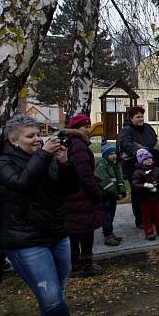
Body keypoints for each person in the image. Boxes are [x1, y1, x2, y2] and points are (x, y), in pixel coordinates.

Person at [0, 114, 86, 316]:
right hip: (25, 240)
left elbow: (69, 189)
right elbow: (22, 184)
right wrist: (44, 154)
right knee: (51, 296)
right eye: (30, 136)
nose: (37, 139)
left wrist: (65, 162)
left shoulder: (47, 157)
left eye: (38, 134)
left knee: (54, 295)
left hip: (56, 233)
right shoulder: (3, 162)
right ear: (14, 141)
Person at [62, 114, 105, 278]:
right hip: (81, 196)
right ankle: (86, 266)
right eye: (85, 127)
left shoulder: (70, 142)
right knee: (86, 232)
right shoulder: (79, 145)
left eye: (89, 126)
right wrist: (96, 193)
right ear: (76, 129)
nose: (88, 130)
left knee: (73, 232)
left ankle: (75, 265)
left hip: (71, 195)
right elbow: (84, 174)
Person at [118, 106, 159, 228]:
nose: (140, 119)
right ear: (131, 118)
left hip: (150, 166)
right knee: (138, 193)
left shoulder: (148, 127)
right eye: (137, 117)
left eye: (141, 116)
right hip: (133, 167)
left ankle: (154, 217)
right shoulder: (126, 130)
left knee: (152, 191)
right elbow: (126, 144)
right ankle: (141, 220)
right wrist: (140, 153)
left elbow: (154, 141)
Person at [131, 149, 159, 240]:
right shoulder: (138, 172)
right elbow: (135, 185)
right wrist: (146, 186)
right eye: (146, 159)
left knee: (158, 214)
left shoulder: (157, 170)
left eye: (150, 158)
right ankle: (149, 232)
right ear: (141, 161)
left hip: (155, 197)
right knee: (146, 216)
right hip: (144, 198)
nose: (149, 160)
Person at [94, 144, 126, 246]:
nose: (114, 156)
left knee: (111, 215)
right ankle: (108, 236)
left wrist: (122, 191)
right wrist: (116, 194)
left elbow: (119, 179)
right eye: (111, 154)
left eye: (115, 153)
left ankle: (111, 234)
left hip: (112, 196)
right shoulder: (102, 165)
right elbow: (106, 182)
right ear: (105, 155)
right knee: (107, 216)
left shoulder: (115, 165)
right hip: (105, 196)